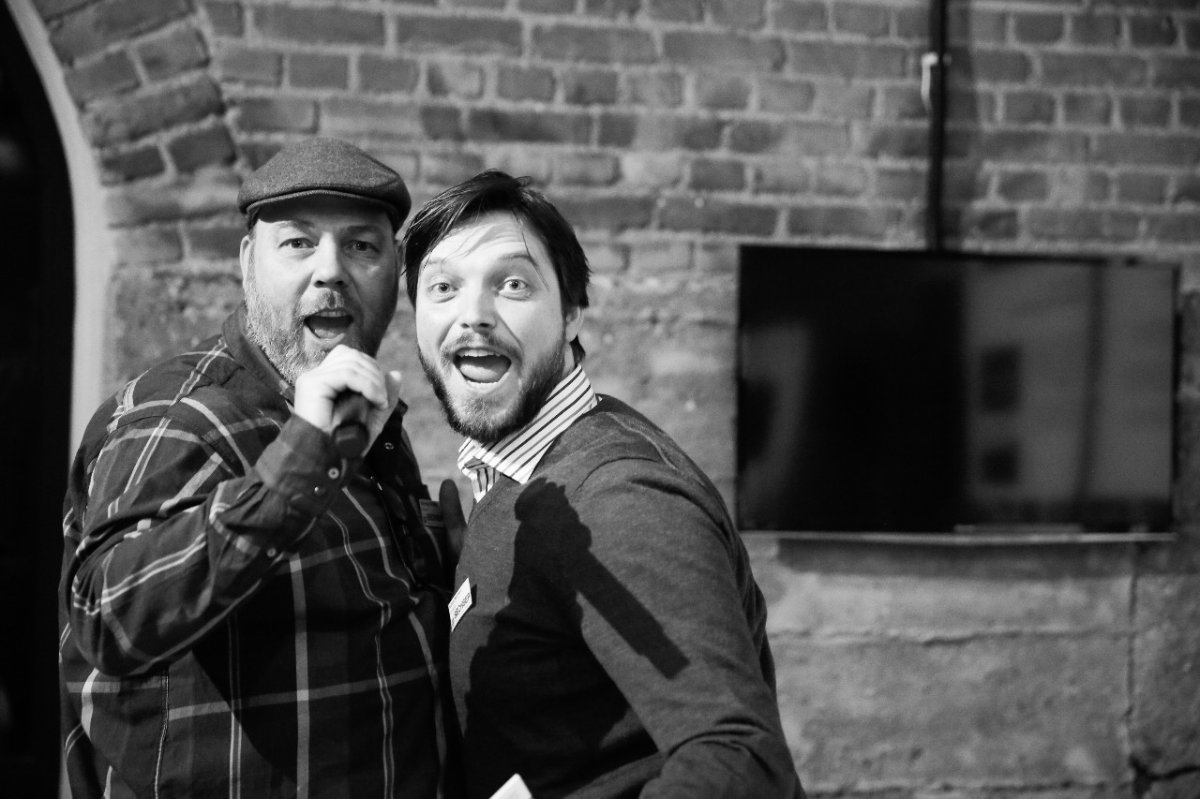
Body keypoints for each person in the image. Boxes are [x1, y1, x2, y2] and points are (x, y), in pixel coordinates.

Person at [59, 138, 461, 798]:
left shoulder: (365, 414)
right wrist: (299, 460)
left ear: (395, 272)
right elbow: (108, 617)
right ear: (248, 261)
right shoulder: (181, 414)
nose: (331, 271)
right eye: (298, 243)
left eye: (361, 246)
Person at [404, 170, 805, 799]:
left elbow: (739, 761)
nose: (472, 315)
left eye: (513, 284)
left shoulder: (616, 498)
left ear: (570, 313)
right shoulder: (518, 477)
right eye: (443, 288)